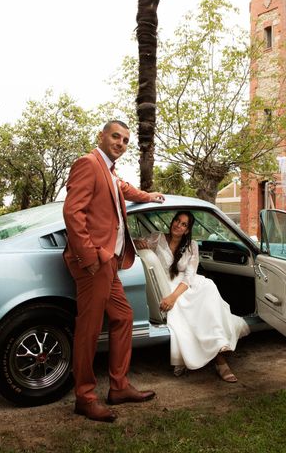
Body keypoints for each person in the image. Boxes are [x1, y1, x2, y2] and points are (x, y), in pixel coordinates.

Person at [63, 120, 165, 423]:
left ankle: (119, 387)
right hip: (95, 263)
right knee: (89, 330)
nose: (120, 143)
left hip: (110, 264)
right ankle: (85, 397)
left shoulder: (108, 171)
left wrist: (149, 196)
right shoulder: (88, 163)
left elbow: (123, 189)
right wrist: (91, 257)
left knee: (123, 317)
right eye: (115, 137)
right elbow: (72, 212)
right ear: (101, 136)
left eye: (124, 140)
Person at [135, 211, 250, 382]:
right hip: (165, 283)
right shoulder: (157, 237)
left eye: (183, 224)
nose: (178, 225)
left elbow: (189, 276)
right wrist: (137, 242)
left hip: (185, 284)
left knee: (209, 287)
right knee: (186, 308)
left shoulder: (192, 246)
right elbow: (132, 244)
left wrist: (173, 297)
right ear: (172, 222)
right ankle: (219, 357)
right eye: (176, 221)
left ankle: (218, 343)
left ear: (187, 230)